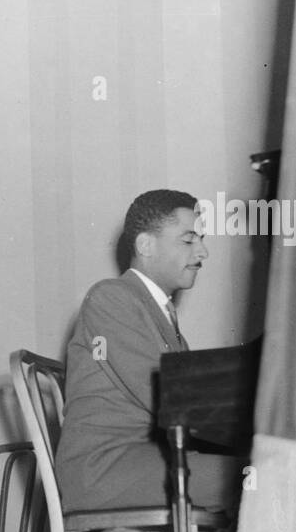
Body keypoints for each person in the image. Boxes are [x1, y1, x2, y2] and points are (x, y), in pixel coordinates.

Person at [56, 189, 241, 513]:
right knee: (260, 476)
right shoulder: (111, 297)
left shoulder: (159, 312)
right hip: (106, 469)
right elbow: (170, 399)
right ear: (145, 245)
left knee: (263, 470)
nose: (203, 251)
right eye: (188, 240)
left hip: (146, 458)